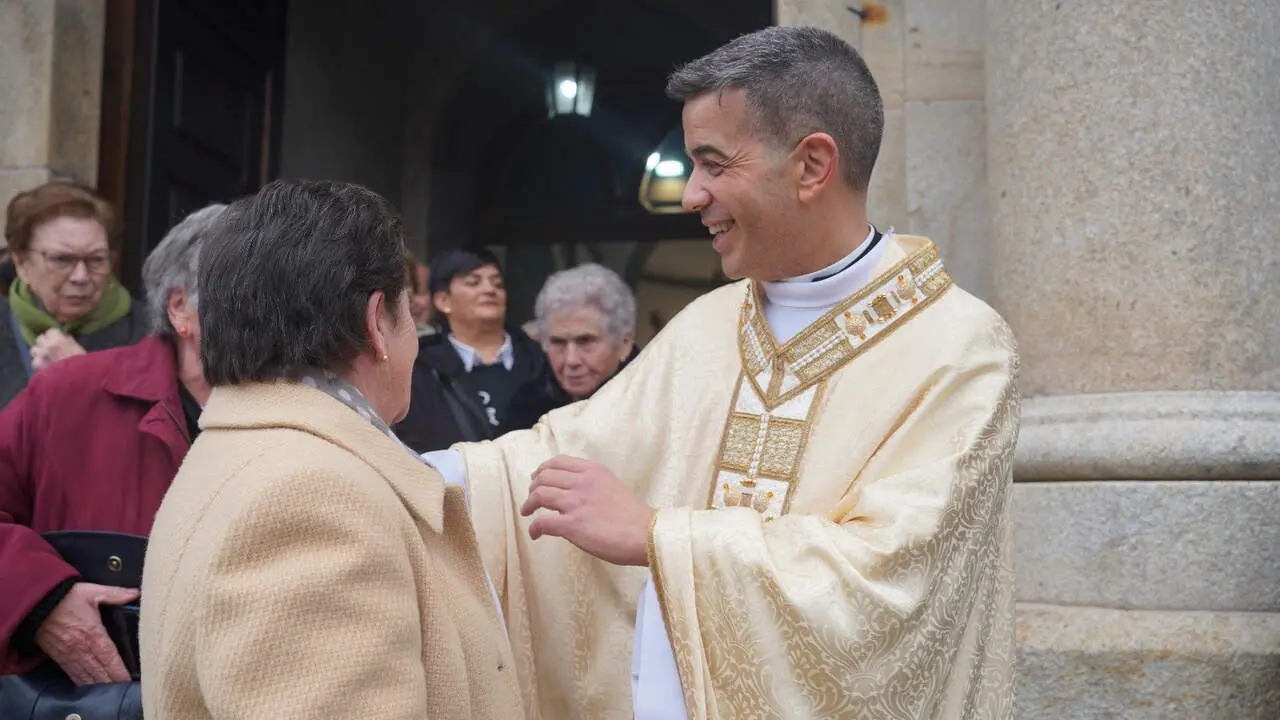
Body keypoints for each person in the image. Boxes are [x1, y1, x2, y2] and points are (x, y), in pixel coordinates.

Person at [425, 26, 1018, 719]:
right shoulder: (711, 322)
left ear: (811, 166)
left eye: (713, 163)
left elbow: (891, 577)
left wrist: (656, 536)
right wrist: (406, 478)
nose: (690, 195)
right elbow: (558, 455)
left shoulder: (959, 347)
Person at [139, 180, 522, 720]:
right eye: (409, 314)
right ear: (377, 324)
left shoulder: (250, 447)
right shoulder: (313, 495)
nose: (417, 340)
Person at [0, 204, 224, 682]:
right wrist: (42, 602)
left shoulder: (308, 408)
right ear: (180, 307)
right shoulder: (67, 394)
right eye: (253, 298)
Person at [0, 182, 149, 409]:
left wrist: (81, 376)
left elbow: (159, 437)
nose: (80, 276)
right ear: (21, 264)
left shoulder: (150, 337)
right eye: (62, 260)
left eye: (96, 259)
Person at [393, 248, 546, 453]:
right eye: (474, 282)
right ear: (443, 301)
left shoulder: (540, 359)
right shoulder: (420, 366)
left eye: (497, 283)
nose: (489, 290)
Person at [504, 263, 639, 431]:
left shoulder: (653, 403)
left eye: (586, 341)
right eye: (558, 342)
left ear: (624, 343)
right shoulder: (526, 408)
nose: (571, 360)